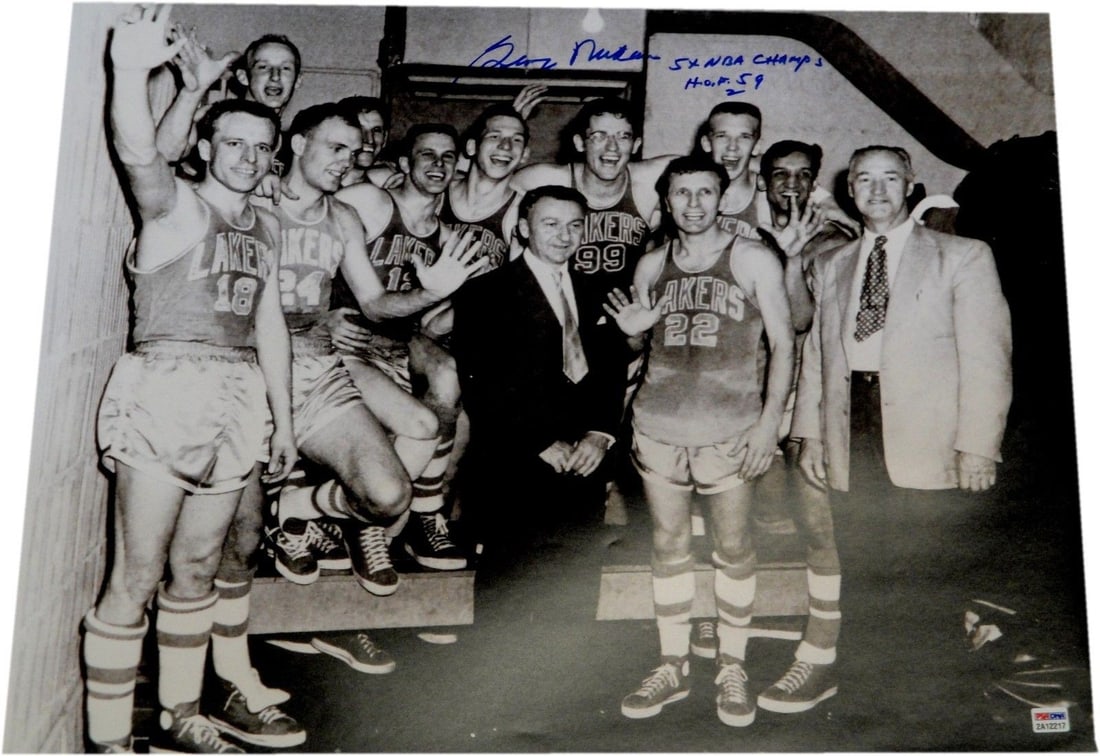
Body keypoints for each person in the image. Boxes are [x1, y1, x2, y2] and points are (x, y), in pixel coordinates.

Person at [83, 8, 295, 752]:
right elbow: (137, 149)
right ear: (206, 146)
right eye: (232, 143)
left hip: (238, 395)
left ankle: (181, 713)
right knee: (136, 575)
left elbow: (269, 325)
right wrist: (131, 72)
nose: (247, 157)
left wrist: (284, 421)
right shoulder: (173, 209)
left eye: (261, 148)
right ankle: (109, 740)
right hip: (165, 386)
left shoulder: (266, 228)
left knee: (199, 565)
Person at [790, 145, 1012, 723]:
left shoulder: (962, 256)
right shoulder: (833, 263)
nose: (878, 190)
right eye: (865, 180)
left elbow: (988, 359)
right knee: (864, 571)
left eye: (890, 178)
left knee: (930, 578)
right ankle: (868, 705)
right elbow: (817, 355)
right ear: (850, 191)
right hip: (852, 431)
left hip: (930, 434)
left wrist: (978, 445)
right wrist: (810, 435)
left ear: (911, 184)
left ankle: (934, 713)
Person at [604, 156, 795, 728]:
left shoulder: (754, 258)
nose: (693, 204)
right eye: (681, 193)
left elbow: (784, 345)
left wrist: (768, 425)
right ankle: (673, 663)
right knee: (667, 546)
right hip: (659, 425)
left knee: (732, 548)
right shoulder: (651, 264)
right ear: (666, 200)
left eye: (704, 193)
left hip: (730, 429)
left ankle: (732, 665)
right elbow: (638, 354)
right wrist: (631, 339)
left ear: (723, 197)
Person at [512, 97, 675, 525]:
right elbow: (476, 186)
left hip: (619, 329)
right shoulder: (542, 178)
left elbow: (728, 172)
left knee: (610, 423)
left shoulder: (645, 182)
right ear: (579, 141)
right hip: (554, 322)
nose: (610, 147)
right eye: (599, 135)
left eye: (622, 137)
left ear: (636, 144)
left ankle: (596, 508)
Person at [451, 184, 626, 582]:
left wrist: (599, 434)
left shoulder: (598, 291)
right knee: (509, 582)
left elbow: (612, 370)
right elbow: (481, 386)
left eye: (574, 226)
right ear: (524, 228)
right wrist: (538, 443)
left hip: (585, 458)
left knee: (576, 584)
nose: (564, 235)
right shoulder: (486, 292)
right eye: (551, 224)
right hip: (515, 460)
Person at [332, 124, 473, 570]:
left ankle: (425, 509)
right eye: (427, 155)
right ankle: (361, 514)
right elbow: (303, 237)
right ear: (405, 164)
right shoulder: (371, 202)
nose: (438, 164)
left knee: (448, 373)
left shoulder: (449, 237)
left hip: (397, 338)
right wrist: (317, 316)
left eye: (448, 157)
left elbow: (434, 318)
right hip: (345, 334)